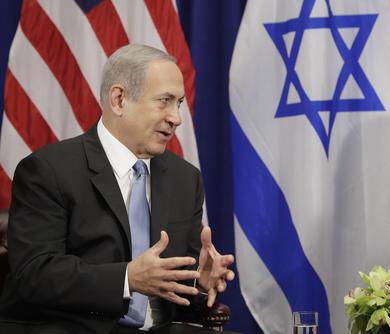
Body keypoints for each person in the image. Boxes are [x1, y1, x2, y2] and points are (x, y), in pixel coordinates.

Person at [0, 44, 236, 334]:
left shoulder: (184, 179)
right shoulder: (48, 170)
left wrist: (198, 283)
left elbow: (177, 291)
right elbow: (34, 275)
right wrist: (127, 279)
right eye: (164, 101)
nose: (176, 117)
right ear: (119, 99)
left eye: (179, 103)